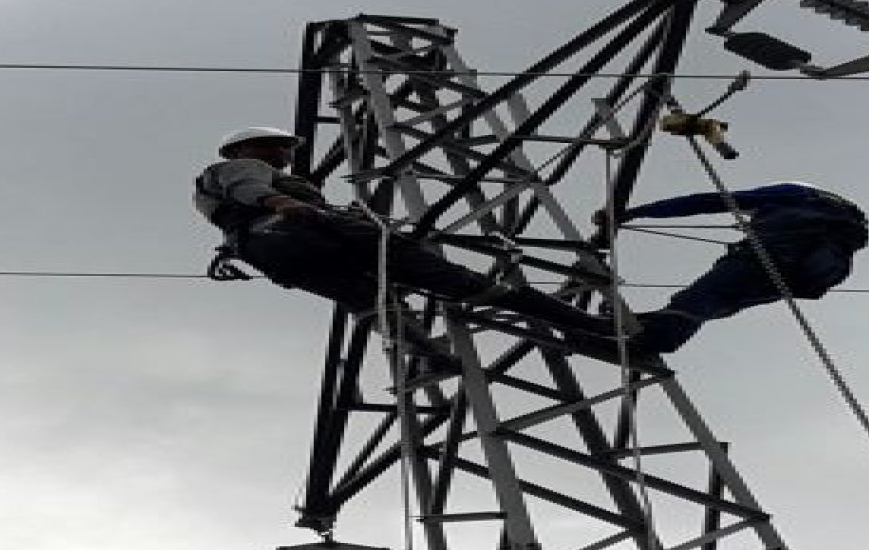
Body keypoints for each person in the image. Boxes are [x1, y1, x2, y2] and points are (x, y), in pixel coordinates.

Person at [194, 127, 637, 371]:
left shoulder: (212, 193)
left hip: (277, 255)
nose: (283, 152)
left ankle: (429, 354)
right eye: (277, 146)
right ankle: (588, 325)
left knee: (367, 301)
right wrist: (283, 201)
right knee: (466, 284)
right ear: (242, 147)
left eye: (286, 147)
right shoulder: (237, 167)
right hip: (316, 234)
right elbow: (249, 187)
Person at [598, 182, 869, 353]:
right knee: (721, 302)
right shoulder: (844, 221)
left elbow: (708, 201)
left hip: (781, 252)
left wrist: (636, 212)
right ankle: (655, 323)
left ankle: (657, 337)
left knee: (709, 295)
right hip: (820, 273)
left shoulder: (793, 194)